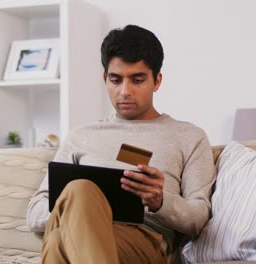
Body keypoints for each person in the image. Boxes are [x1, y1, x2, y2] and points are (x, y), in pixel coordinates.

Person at [27, 24, 215, 263]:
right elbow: (35, 212)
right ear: (105, 79)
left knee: (57, 240)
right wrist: (80, 209)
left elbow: (198, 218)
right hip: (75, 233)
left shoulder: (188, 136)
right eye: (116, 80)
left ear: (156, 81)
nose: (125, 91)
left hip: (144, 241)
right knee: (78, 195)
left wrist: (160, 201)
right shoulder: (81, 136)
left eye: (137, 80)